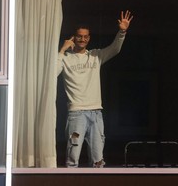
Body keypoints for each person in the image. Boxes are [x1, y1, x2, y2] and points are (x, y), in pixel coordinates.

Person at [57, 10, 133, 168]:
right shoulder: (65, 58)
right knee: (73, 156)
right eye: (79, 36)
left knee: (98, 159)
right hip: (76, 113)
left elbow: (115, 49)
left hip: (96, 113)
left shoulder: (96, 56)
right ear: (73, 37)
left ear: (89, 38)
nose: (82, 39)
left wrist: (122, 31)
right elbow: (52, 73)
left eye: (85, 36)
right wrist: (62, 50)